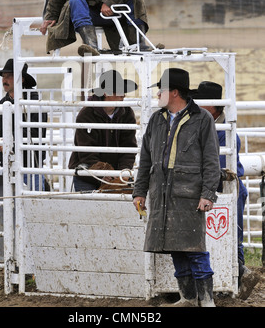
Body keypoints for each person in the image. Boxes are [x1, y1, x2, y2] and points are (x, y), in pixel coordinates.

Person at [132, 68, 221, 307]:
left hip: (189, 195)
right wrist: (139, 191)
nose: (158, 93)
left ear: (174, 92)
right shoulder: (156, 119)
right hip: (162, 194)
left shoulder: (202, 119)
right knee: (174, 247)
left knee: (194, 248)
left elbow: (212, 160)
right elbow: (146, 159)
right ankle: (189, 298)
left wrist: (208, 194)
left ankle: (207, 300)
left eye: (161, 89)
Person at [192, 81, 259, 300]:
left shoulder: (223, 132)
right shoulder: (218, 128)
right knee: (227, 234)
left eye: (202, 102)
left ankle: (238, 277)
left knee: (231, 236)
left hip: (226, 189)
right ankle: (237, 278)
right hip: (222, 190)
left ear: (212, 107)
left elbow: (218, 169)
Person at [0, 59, 47, 191]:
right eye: (4, 76)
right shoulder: (4, 102)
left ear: (21, 79)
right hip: (9, 165)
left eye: (9, 76)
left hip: (29, 165)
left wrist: (10, 140)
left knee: (31, 202)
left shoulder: (35, 102)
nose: (5, 80)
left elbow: (36, 133)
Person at [69, 69, 138, 192]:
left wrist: (123, 172)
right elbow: (86, 151)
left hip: (116, 175)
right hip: (89, 175)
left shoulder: (127, 113)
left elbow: (129, 147)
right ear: (106, 93)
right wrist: (101, 172)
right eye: (119, 92)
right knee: (88, 207)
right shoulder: (87, 114)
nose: (123, 95)